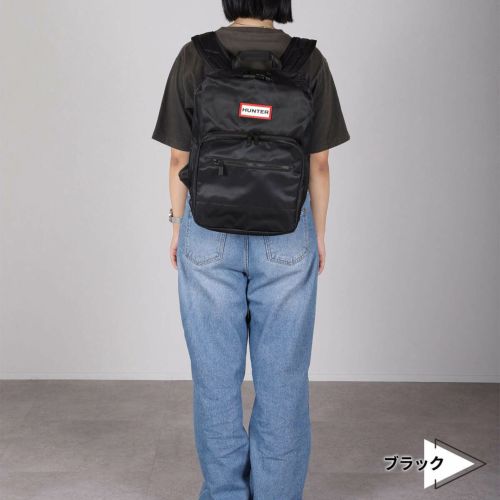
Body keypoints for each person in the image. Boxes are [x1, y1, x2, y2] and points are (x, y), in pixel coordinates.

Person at [152, 1, 349, 498]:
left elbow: (178, 157)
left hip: (207, 232)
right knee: (283, 381)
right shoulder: (308, 62)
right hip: (287, 233)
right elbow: (318, 164)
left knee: (215, 381)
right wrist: (317, 235)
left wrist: (177, 225)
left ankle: (225, 494)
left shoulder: (195, 56)